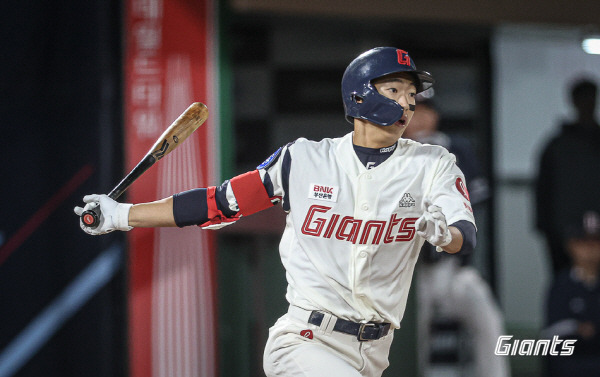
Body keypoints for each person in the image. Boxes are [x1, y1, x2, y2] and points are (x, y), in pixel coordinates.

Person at [75, 47, 476, 377]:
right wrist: (121, 215)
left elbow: (464, 233)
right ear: (360, 95)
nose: (407, 102)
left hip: (375, 351)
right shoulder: (302, 159)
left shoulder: (432, 163)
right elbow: (218, 202)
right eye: (395, 90)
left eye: (411, 94)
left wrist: (446, 236)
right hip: (306, 341)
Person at [405, 98, 510, 377]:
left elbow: (476, 201)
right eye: (412, 113)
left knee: (488, 318)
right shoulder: (392, 154)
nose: (420, 119)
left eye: (426, 111)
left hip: (452, 268)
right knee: (409, 332)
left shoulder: (456, 149)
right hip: (410, 274)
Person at [535, 79, 600, 276]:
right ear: (574, 101)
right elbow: (543, 190)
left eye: (590, 98)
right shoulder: (557, 146)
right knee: (566, 286)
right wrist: (547, 229)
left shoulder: (557, 145)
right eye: (584, 99)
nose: (587, 104)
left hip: (571, 228)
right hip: (563, 232)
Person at [542, 211, 600, 377]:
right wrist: (578, 328)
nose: (590, 249)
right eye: (584, 242)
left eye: (595, 242)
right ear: (571, 245)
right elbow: (554, 338)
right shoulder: (561, 286)